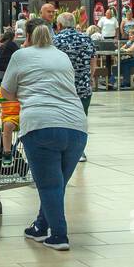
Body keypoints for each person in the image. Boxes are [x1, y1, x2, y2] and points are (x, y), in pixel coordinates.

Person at [0, 25, 88, 251]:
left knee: (49, 186)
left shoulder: (20, 55)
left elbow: (7, 93)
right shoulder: (62, 57)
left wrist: (27, 93)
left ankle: (59, 236)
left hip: (40, 125)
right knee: (56, 184)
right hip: (77, 126)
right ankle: (40, 226)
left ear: (28, 37)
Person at [52, 12, 97, 161]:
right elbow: (93, 63)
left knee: (60, 120)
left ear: (59, 25)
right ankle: (80, 152)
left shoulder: (56, 40)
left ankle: (61, 150)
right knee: (81, 120)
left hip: (61, 89)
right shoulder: (86, 38)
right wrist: (88, 78)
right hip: (83, 88)